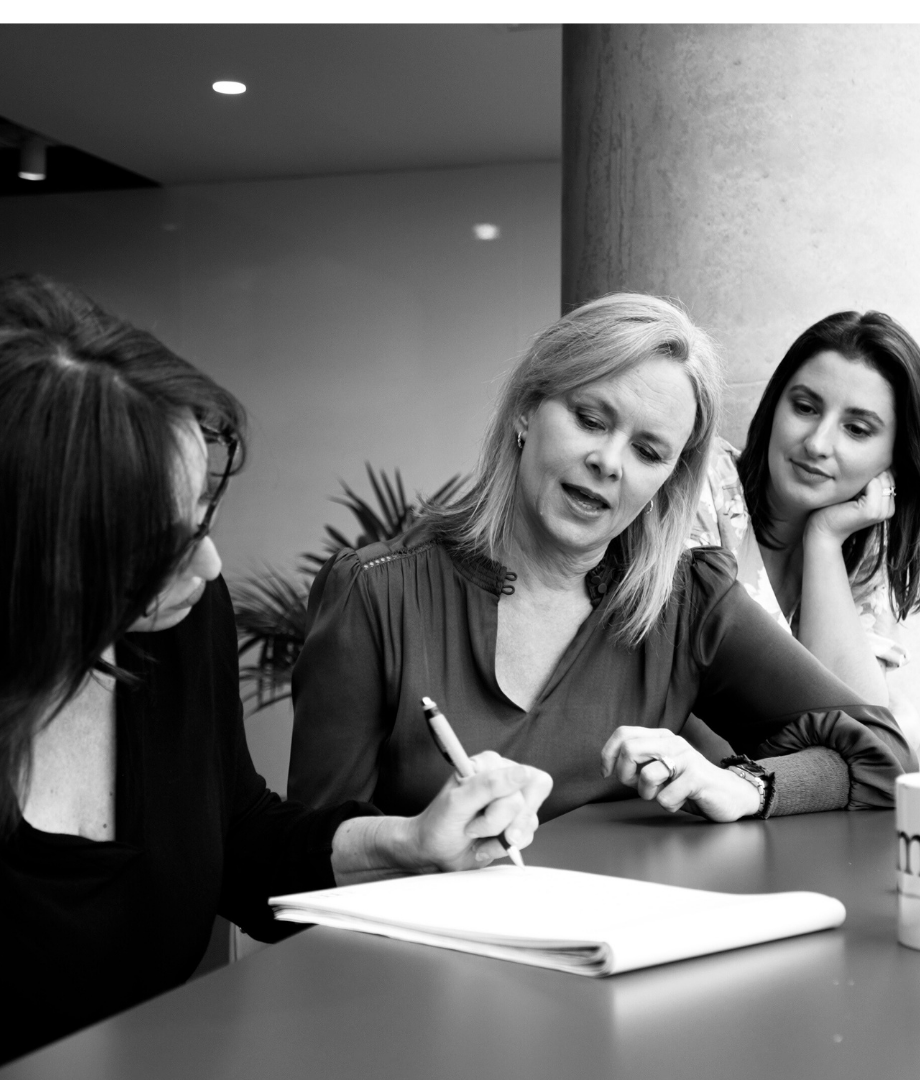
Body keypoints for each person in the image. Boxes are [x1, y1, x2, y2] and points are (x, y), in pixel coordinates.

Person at [0, 273, 552, 1066]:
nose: (210, 561)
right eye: (158, 545)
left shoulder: (177, 619)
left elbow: (239, 836)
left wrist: (411, 843)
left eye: (201, 516)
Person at [288, 293, 915, 825]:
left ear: (668, 481)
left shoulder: (686, 601)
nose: (610, 463)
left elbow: (882, 754)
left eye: (648, 452)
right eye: (591, 419)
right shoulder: (375, 593)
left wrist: (746, 785)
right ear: (528, 410)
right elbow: (305, 867)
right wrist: (415, 847)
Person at [689, 311, 920, 750]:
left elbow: (864, 728)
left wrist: (825, 539)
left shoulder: (864, 546)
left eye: (856, 429)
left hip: (778, 800)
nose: (816, 443)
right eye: (805, 407)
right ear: (776, 405)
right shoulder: (704, 484)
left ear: (892, 459)